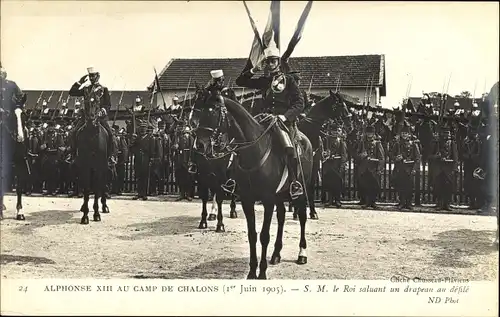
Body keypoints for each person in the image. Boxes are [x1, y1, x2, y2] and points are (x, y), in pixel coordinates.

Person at [234, 45, 305, 199]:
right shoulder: (265, 80)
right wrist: (254, 69)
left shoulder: (289, 80)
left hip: (283, 121)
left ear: (278, 62)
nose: (270, 64)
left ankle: (293, 182)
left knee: (289, 147)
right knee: (244, 140)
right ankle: (236, 180)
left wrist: (285, 116)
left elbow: (299, 103)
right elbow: (240, 81)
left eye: (273, 61)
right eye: (267, 62)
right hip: (264, 119)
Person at [68, 66, 115, 161]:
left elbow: (108, 104)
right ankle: (72, 154)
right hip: (86, 117)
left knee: (110, 134)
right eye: (90, 76)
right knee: (73, 132)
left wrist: (103, 111)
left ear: (98, 76)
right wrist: (80, 82)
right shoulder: (86, 89)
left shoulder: (103, 89)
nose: (92, 78)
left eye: (93, 76)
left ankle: (110, 156)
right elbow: (72, 92)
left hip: (99, 117)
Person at [0, 64, 26, 214]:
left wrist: (18, 106)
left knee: (23, 131)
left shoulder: (12, 85)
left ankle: (25, 155)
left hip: (10, 120)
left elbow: (21, 97)